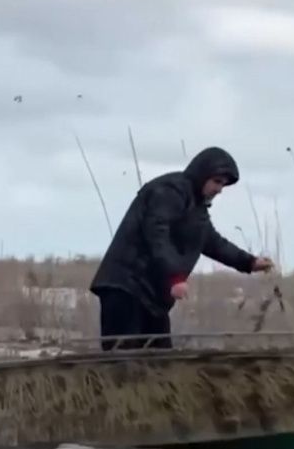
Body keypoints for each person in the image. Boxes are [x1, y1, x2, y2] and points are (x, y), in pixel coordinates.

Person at [89, 146, 274, 350]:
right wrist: (175, 277)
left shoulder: (197, 207)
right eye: (217, 181)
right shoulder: (169, 191)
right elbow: (157, 235)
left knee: (161, 361)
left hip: (152, 296)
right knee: (122, 361)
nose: (219, 189)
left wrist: (249, 262)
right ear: (203, 174)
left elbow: (211, 241)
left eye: (223, 185)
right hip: (126, 286)